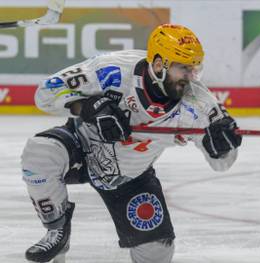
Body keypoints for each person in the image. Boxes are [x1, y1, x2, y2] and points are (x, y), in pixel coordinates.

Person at [21, 23, 242, 263]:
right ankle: (57, 230)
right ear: (158, 65)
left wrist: (222, 147)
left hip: (130, 177)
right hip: (81, 147)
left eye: (194, 69)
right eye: (183, 69)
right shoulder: (112, 70)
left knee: (157, 253)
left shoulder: (200, 106)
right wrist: (86, 107)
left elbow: (222, 164)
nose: (190, 78)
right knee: (40, 152)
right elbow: (44, 94)